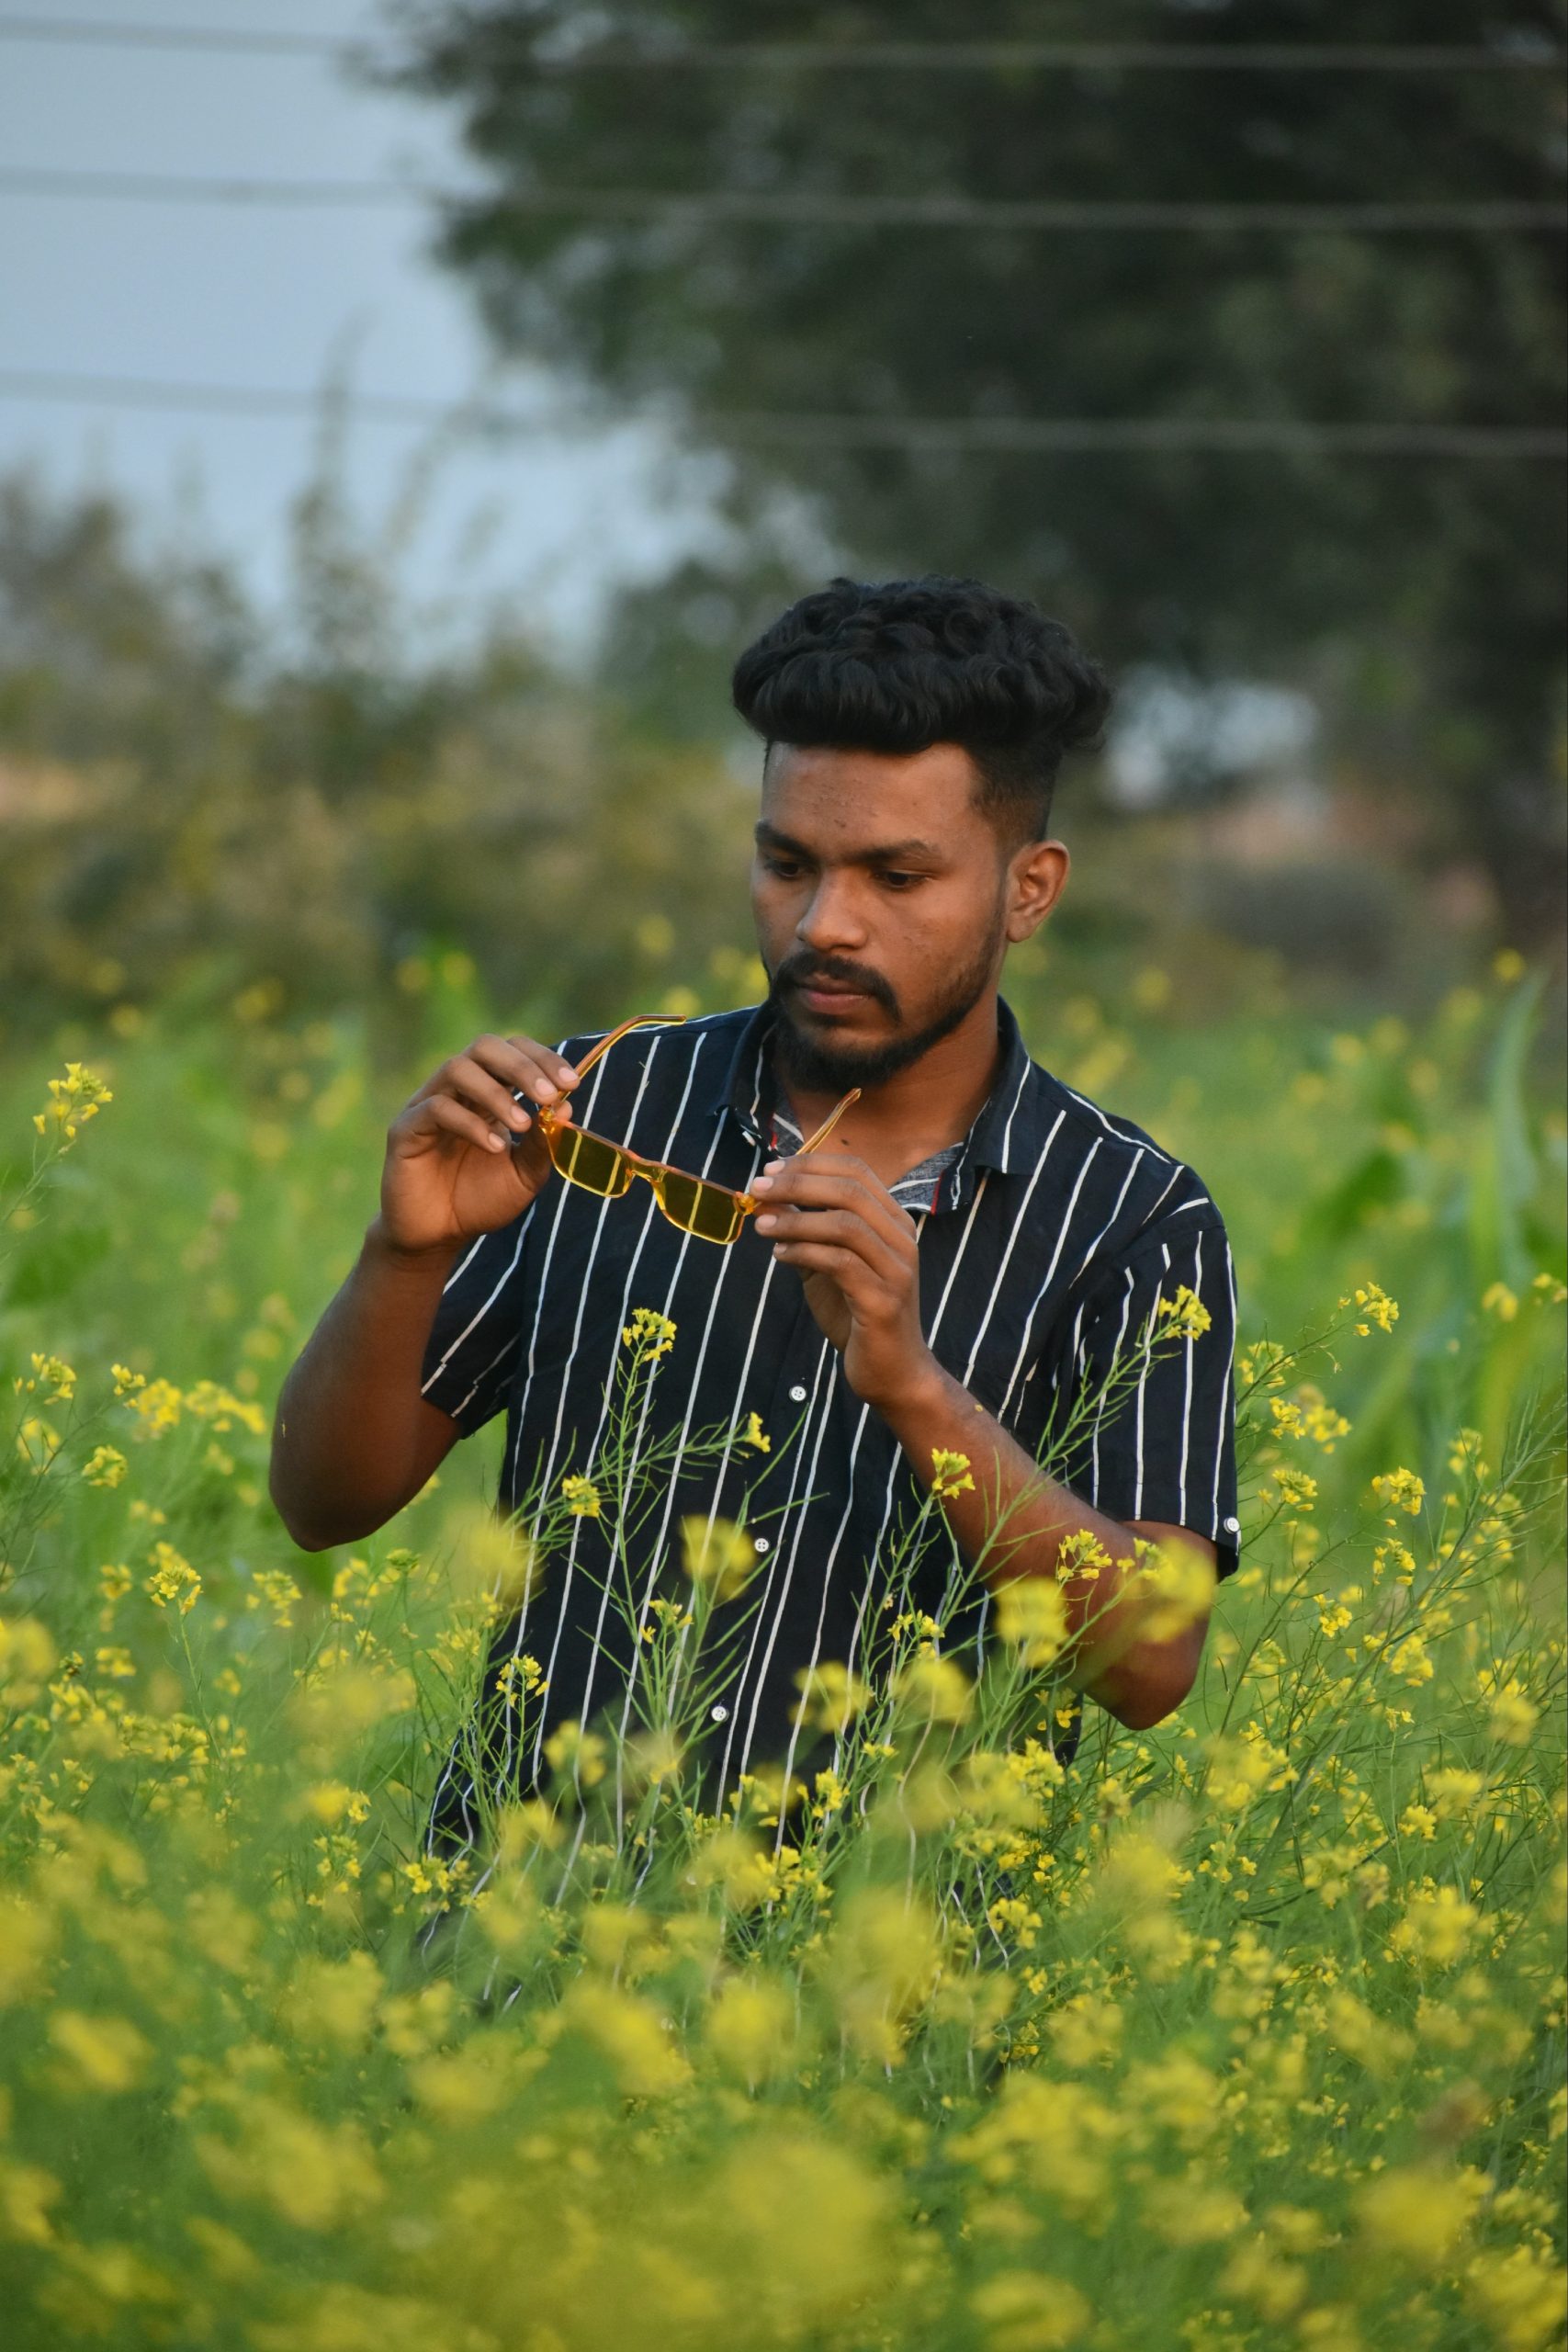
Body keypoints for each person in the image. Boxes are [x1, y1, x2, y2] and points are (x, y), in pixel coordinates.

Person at [269, 574, 1239, 1862]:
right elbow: (326, 1503)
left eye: (900, 875)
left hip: (888, 2001)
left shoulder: (1130, 1216)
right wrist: (406, 1252)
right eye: (789, 863)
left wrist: (909, 1384)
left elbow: (1151, 1665)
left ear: (1029, 889)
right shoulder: (590, 1112)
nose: (827, 925)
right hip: (526, 1946)